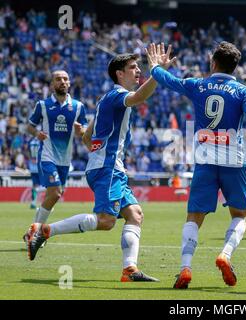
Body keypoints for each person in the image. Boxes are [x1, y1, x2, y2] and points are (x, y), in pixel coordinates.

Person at [26, 49, 175, 282]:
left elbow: (88, 138)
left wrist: (88, 137)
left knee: (135, 214)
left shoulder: (105, 99)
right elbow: (138, 98)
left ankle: (130, 270)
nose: (138, 71)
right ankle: (45, 231)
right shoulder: (118, 96)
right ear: (119, 74)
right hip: (107, 168)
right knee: (106, 221)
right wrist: (158, 72)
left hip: (109, 166)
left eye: (139, 67)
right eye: (133, 68)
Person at [146, 41, 246, 289]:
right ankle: (225, 255)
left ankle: (185, 268)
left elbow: (169, 81)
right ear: (234, 67)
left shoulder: (198, 85)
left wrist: (155, 67)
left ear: (213, 62)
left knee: (194, 217)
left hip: (205, 161)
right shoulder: (243, 91)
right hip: (234, 161)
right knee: (239, 215)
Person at [23, 70, 87, 242]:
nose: (63, 82)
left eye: (66, 79)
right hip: (47, 156)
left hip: (65, 160)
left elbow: (85, 131)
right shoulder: (42, 105)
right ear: (52, 84)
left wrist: (81, 131)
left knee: (53, 196)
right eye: (58, 79)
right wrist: (37, 133)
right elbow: (29, 127)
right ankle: (36, 234)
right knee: (56, 193)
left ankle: (33, 229)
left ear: (69, 82)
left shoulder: (78, 106)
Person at [28, 137, 42, 209]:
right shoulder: (41, 141)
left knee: (34, 185)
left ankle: (33, 203)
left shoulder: (31, 141)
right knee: (44, 185)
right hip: (39, 166)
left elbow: (28, 153)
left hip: (32, 166)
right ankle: (45, 204)